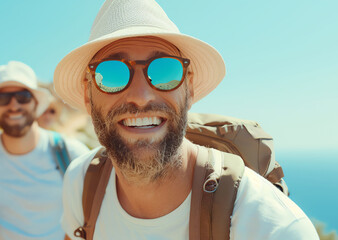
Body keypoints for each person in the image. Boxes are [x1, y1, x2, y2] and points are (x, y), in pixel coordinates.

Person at [53, 0, 318, 239]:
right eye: (111, 75)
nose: (141, 96)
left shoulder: (273, 228)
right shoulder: (81, 182)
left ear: (189, 89)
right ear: (87, 97)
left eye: (164, 70)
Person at [0, 61, 90, 240]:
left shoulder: (72, 154)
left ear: (36, 103)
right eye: (3, 98)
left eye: (23, 96)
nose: (13, 105)